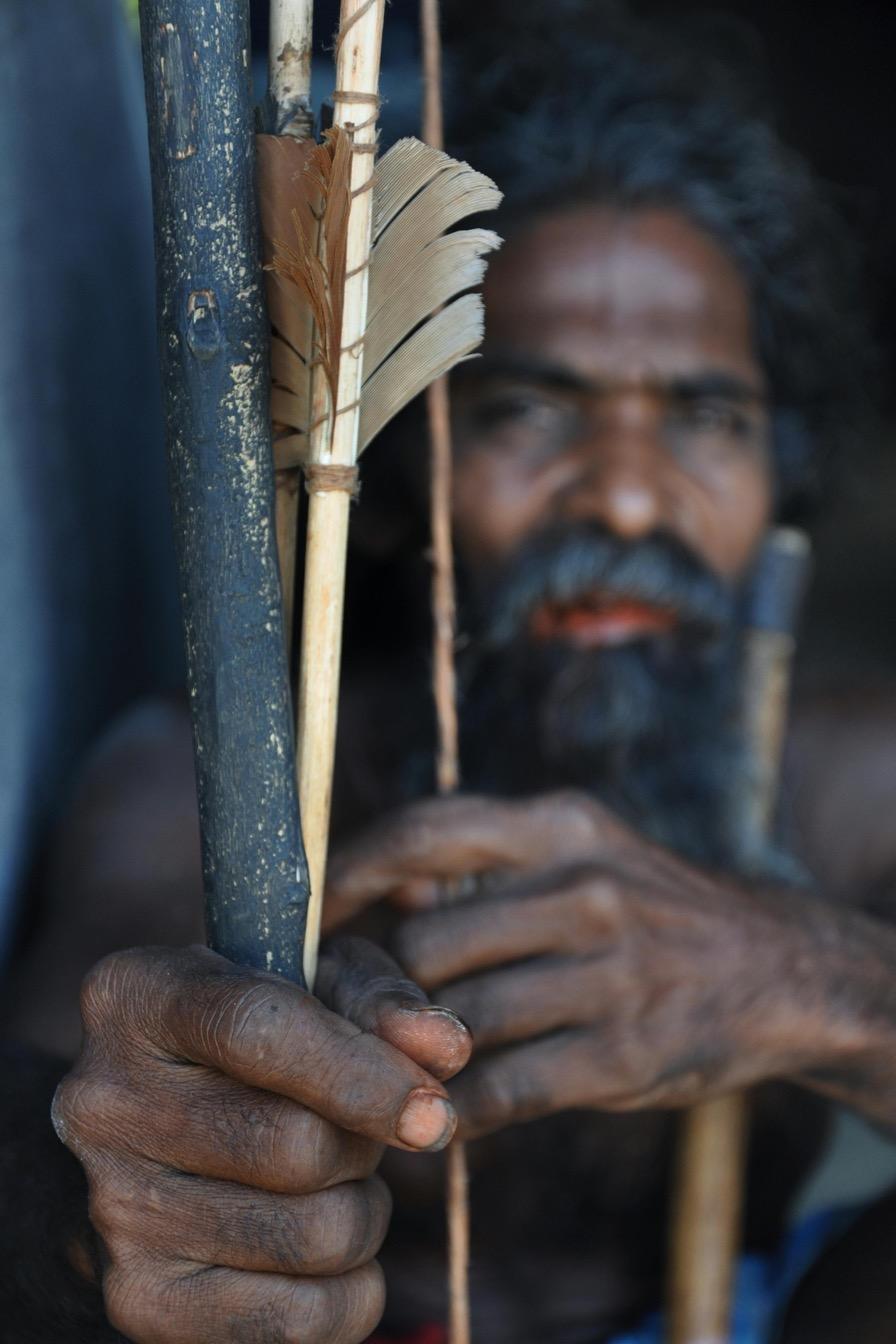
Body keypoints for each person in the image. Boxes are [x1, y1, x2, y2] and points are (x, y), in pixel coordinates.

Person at [4, 4, 896, 1341]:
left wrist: (815, 983)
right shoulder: (214, 786)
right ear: (407, 473)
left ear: (785, 472)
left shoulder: (846, 778)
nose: (633, 504)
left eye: (708, 417)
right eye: (530, 410)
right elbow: (47, 1131)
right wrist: (109, 1191)